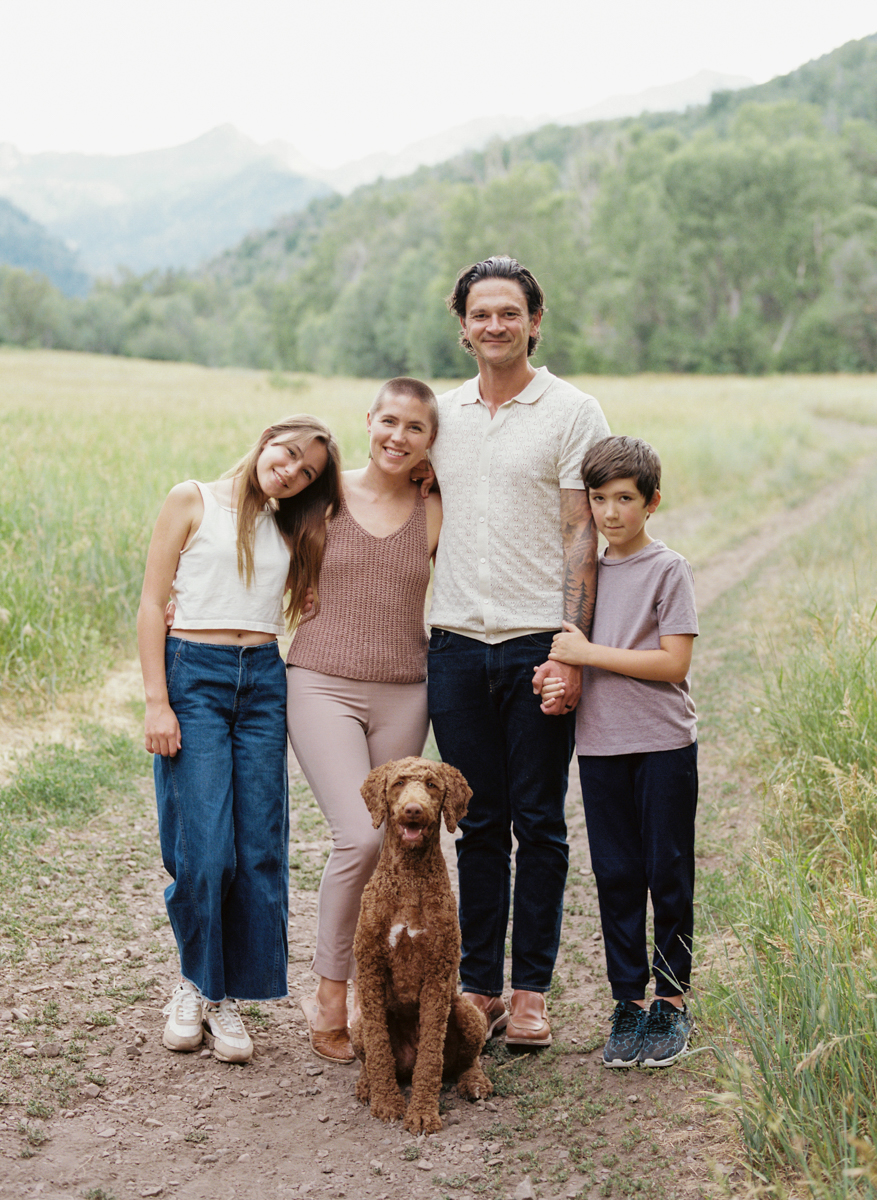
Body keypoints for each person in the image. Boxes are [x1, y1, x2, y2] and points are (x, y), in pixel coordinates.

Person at [426, 255, 610, 1047]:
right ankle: (478, 988)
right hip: (456, 645)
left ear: (534, 321)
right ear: (460, 323)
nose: (494, 325)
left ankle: (530, 990)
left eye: (510, 312)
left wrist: (569, 650)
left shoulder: (572, 410)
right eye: (480, 313)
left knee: (538, 821)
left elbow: (582, 533)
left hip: (540, 639)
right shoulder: (439, 414)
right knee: (476, 821)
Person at [137, 414, 341, 1063]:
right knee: (203, 849)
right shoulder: (191, 498)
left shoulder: (292, 525)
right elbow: (150, 603)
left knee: (256, 850)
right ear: (265, 441)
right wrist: (156, 702)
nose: (290, 471)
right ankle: (197, 985)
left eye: (306, 471)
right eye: (286, 455)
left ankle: (224, 998)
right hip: (193, 675)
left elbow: (365, 507)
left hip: (261, 683)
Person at [285, 377, 442, 1063]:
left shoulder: (435, 508)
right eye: (388, 421)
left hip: (405, 689)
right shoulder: (325, 493)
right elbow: (253, 546)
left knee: (392, 847)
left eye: (414, 428)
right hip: (321, 683)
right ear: (368, 421)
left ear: (430, 444)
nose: (397, 437)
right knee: (357, 835)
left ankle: (382, 1000)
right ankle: (329, 993)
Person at [545, 435, 698, 1068]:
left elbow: (674, 661)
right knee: (615, 873)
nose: (611, 513)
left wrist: (588, 655)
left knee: (666, 871)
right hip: (601, 747)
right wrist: (556, 673)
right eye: (600, 498)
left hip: (662, 742)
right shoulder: (583, 574)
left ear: (651, 502)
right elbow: (564, 654)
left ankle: (672, 1000)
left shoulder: (668, 569)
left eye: (626, 499)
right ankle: (628, 1002)